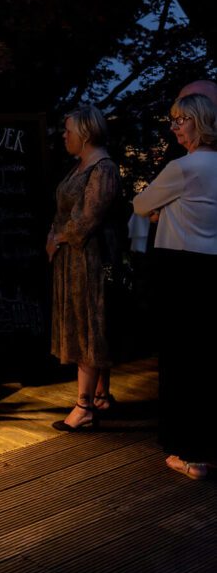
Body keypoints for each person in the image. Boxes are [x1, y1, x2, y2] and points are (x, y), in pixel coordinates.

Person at [133, 92, 217, 481]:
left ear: (198, 123)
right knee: (206, 358)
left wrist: (161, 207)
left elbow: (140, 204)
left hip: (180, 269)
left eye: (180, 120)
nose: (174, 126)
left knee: (182, 360)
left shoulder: (183, 167)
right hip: (210, 267)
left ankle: (191, 454)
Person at [47, 105, 121, 432]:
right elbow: (64, 210)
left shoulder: (102, 168)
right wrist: (53, 235)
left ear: (86, 134)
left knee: (88, 326)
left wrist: (59, 237)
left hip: (89, 259)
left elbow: (88, 219)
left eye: (68, 131)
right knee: (84, 322)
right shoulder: (80, 166)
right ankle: (101, 394)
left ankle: (84, 407)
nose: (64, 136)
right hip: (72, 259)